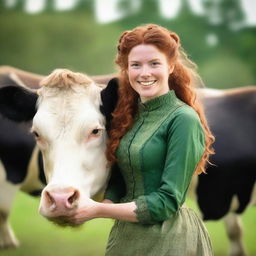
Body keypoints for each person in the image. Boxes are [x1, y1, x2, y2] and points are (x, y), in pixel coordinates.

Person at [68, 24, 215, 256]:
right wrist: (95, 205)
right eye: (135, 65)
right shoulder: (128, 114)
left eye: (154, 63)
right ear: (126, 69)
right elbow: (120, 178)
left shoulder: (183, 119)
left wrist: (97, 210)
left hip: (171, 239)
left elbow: (167, 202)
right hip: (126, 238)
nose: (144, 73)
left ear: (171, 66)